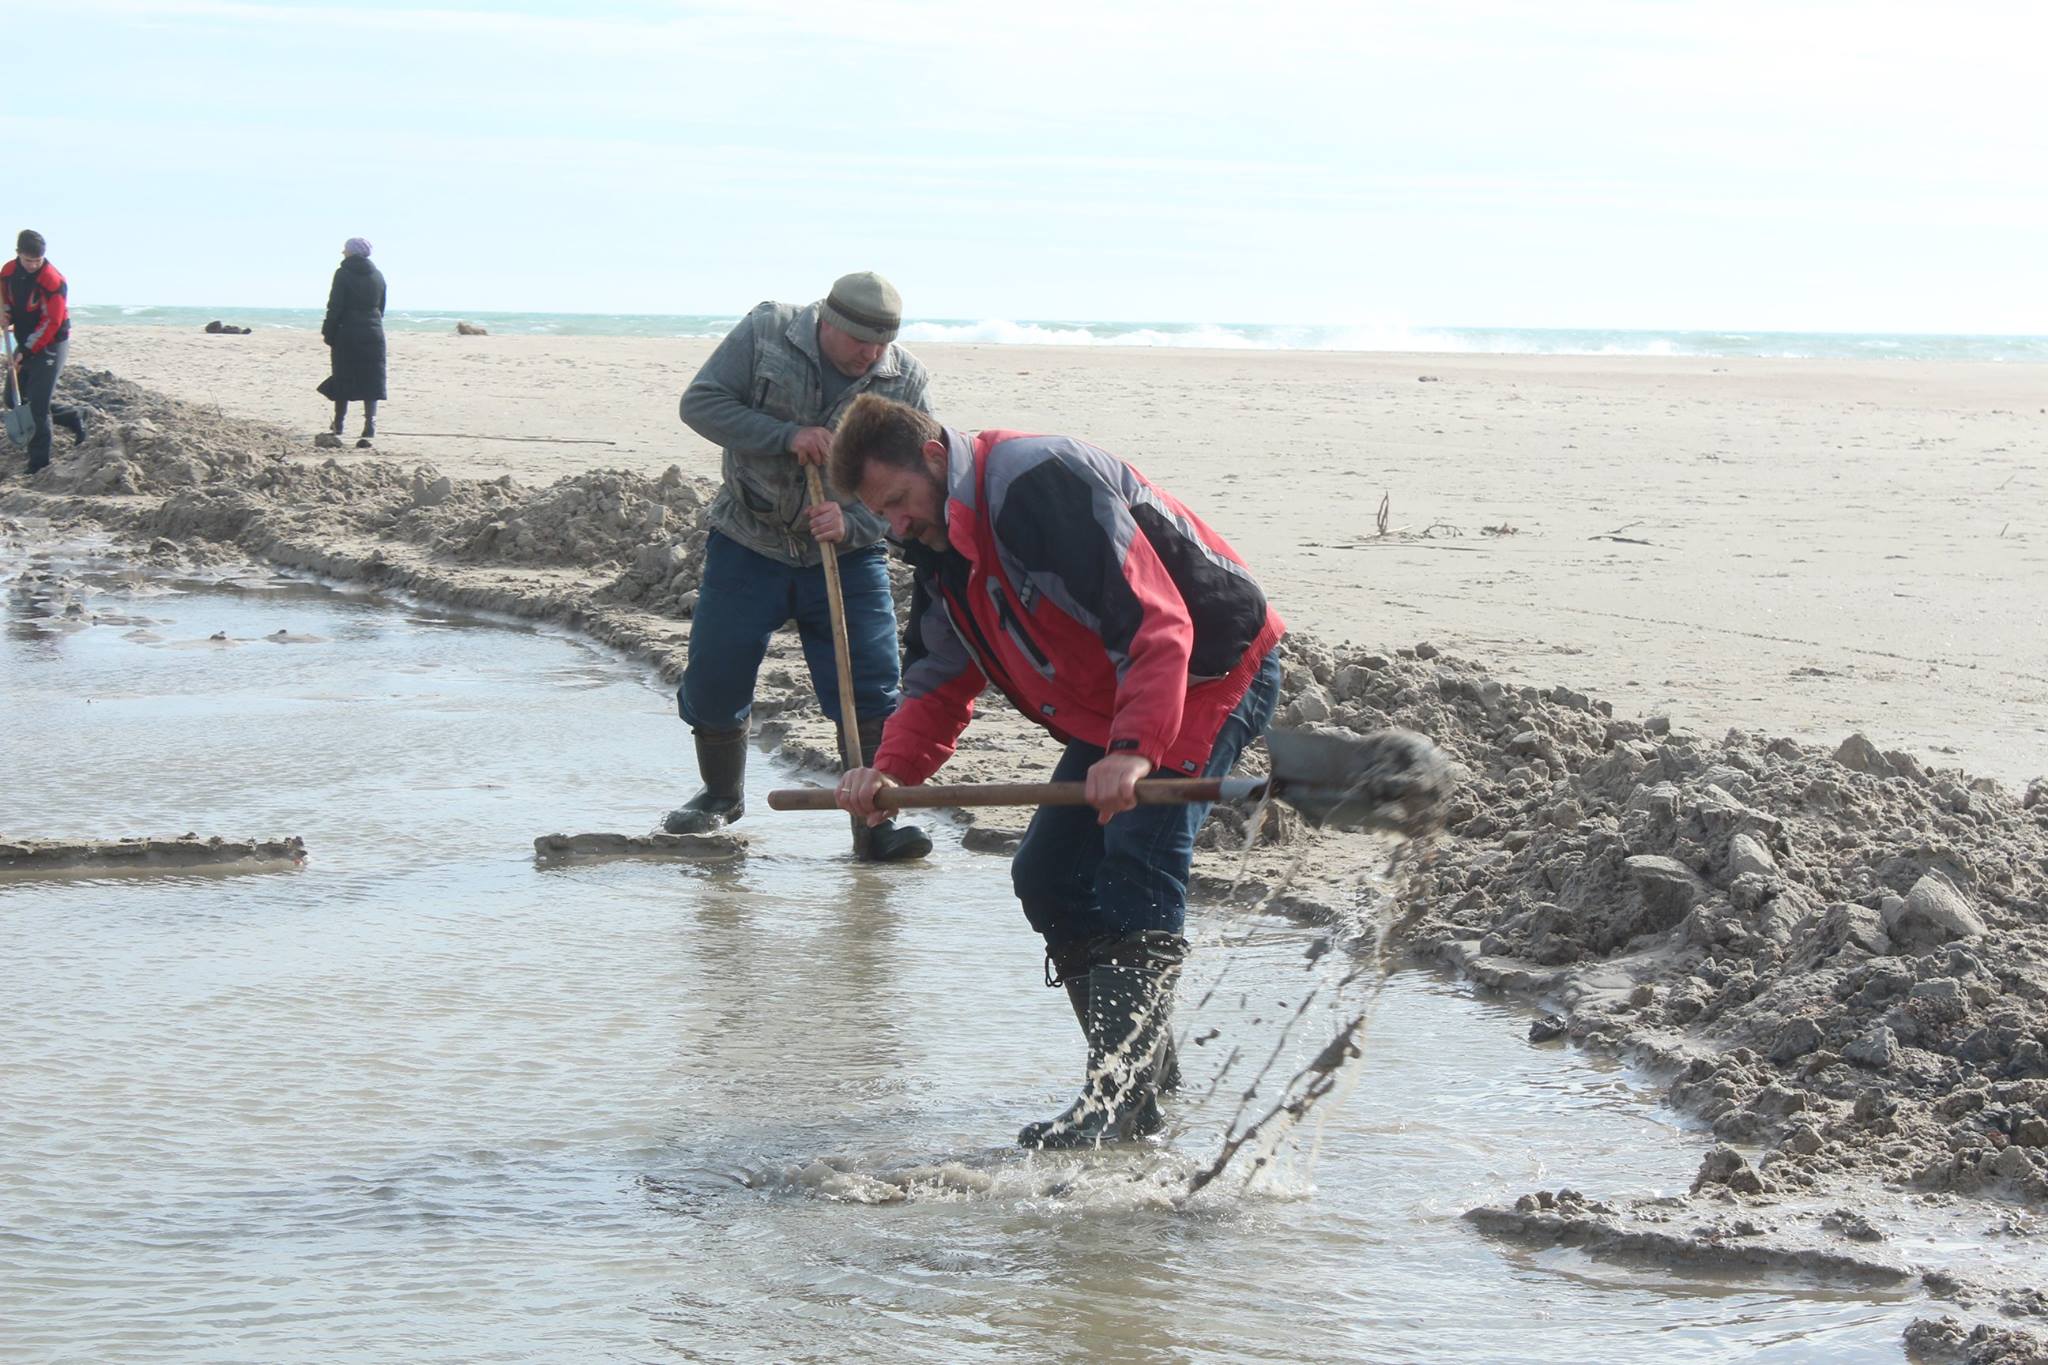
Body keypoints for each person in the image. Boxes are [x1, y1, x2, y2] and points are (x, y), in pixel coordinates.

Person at [828, 395, 1286, 1148]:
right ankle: (1141, 1071)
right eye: (882, 514)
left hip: (1210, 669)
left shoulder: (1037, 484)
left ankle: (1123, 1099)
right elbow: (940, 679)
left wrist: (1135, 749)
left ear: (937, 457)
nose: (895, 526)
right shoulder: (942, 548)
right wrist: (888, 775)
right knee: (1046, 872)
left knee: (1137, 856)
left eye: (899, 502)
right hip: (1118, 698)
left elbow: (1156, 622)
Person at [664, 271, 934, 862]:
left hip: (846, 556)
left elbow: (921, 481)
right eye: (860, 341)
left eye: (881, 344)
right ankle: (719, 795)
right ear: (827, 323)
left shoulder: (904, 379)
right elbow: (701, 404)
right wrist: (785, 435)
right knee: (715, 678)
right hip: (749, 540)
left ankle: (877, 821)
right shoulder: (767, 334)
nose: (870, 355)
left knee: (870, 690)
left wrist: (855, 524)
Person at [2, 230, 86, 475]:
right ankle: (72, 416)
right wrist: (4, 311)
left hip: (52, 343)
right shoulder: (8, 272)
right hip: (26, 341)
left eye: (37, 261)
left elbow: (52, 322)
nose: (33, 265)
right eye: (28, 261)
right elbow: (5, 297)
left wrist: (26, 352)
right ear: (18, 254)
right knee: (12, 399)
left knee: (37, 407)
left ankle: (39, 464)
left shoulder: (53, 281)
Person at [318, 238, 386, 447]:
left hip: (347, 331)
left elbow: (335, 306)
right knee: (371, 378)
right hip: (373, 332)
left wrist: (328, 331)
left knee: (343, 376)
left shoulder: (343, 273)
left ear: (352, 252)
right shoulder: (378, 275)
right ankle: (370, 425)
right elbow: (381, 307)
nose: (342, 252)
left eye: (345, 249)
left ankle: (339, 423)